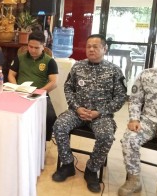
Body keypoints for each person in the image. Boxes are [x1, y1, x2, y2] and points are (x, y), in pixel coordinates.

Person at [52, 34, 127, 193]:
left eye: (96, 46)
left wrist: (99, 112)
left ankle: (92, 170)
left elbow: (120, 97)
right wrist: (77, 107)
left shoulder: (114, 70)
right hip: (77, 111)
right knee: (59, 126)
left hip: (101, 115)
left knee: (106, 135)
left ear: (105, 49)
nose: (91, 49)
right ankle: (67, 165)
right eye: (88, 46)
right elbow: (68, 88)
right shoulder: (78, 67)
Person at [118, 39, 157, 196]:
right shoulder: (146, 75)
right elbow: (135, 100)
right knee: (129, 139)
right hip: (146, 121)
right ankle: (134, 180)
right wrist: (134, 119)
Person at [8, 31, 58, 141]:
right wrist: (16, 87)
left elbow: (54, 82)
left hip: (40, 94)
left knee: (49, 116)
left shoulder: (50, 61)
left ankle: (42, 141)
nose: (33, 50)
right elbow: (11, 74)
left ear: (43, 47)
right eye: (30, 47)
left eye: (36, 48)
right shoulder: (20, 58)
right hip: (20, 93)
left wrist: (39, 92)